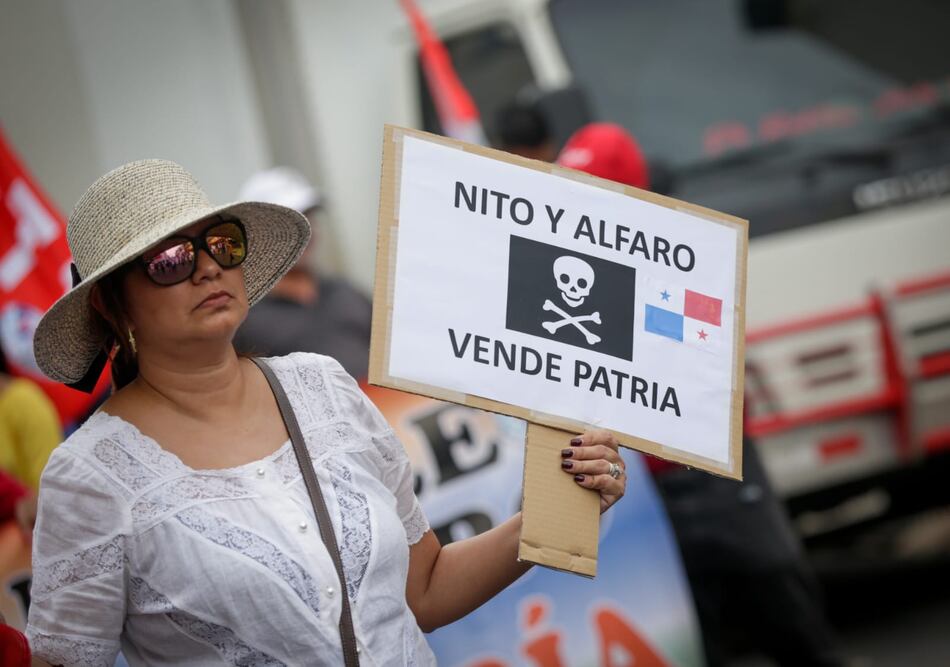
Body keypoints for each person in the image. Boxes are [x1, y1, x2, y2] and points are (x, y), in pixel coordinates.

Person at [24, 159, 627, 666]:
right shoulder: (90, 477)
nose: (208, 266)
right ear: (111, 302)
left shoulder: (324, 387)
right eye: (170, 261)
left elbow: (425, 589)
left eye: (221, 244)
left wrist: (562, 509)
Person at [558, 123, 845, 667]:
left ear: (632, 191)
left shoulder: (682, 257)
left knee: (789, 618)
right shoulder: (585, 268)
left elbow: (700, 360)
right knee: (697, 636)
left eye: (596, 191)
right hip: (649, 495)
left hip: (719, 476)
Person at [232, 167, 373, 380]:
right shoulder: (243, 321)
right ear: (253, 235)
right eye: (286, 225)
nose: (304, 232)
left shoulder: (346, 292)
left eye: (307, 217)